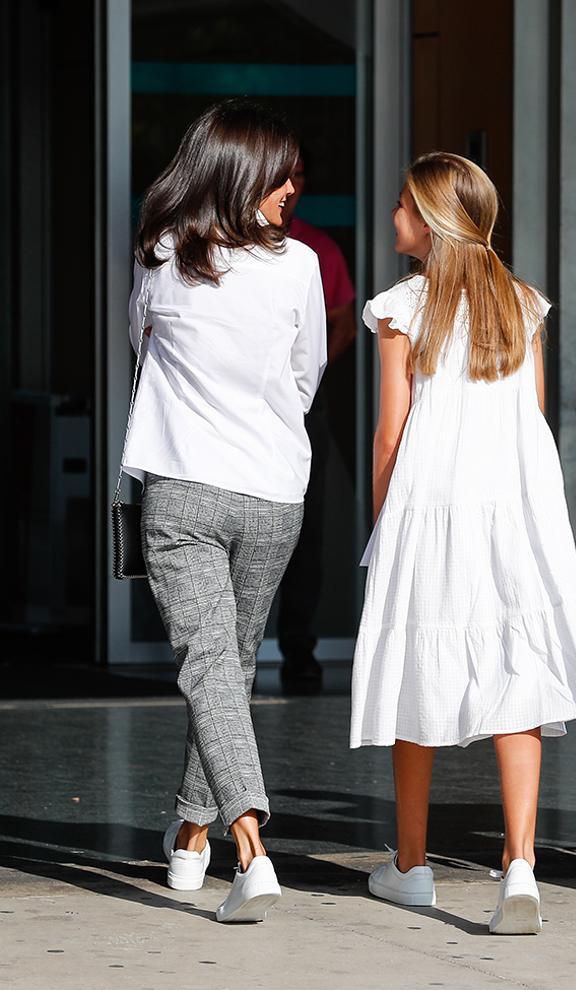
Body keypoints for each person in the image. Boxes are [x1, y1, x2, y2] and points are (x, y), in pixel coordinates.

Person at [350, 152, 576, 935]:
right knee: (517, 675)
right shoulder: (522, 305)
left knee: (415, 670)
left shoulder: (401, 307)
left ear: (429, 220)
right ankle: (520, 864)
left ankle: (411, 866)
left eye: (401, 204)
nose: (392, 215)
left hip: (432, 505)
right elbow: (530, 421)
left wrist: (382, 523)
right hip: (517, 509)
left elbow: (391, 431)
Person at [122, 100, 326, 923]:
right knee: (225, 667)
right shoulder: (301, 268)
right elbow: (306, 375)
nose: (292, 187)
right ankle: (196, 841)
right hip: (273, 488)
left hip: (184, 484)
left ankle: (241, 844)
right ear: (240, 173)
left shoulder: (162, 254)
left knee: (216, 670)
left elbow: (140, 348)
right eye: (281, 171)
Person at [276, 154, 356, 693]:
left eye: (301, 176)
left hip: (305, 406)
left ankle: (298, 650)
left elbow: (343, 325)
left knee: (305, 529)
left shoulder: (316, 250)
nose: (291, 186)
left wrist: (302, 375)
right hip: (243, 408)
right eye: (283, 174)